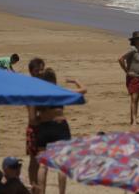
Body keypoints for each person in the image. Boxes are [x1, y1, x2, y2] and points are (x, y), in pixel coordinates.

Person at [34, 68, 86, 194]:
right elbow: (83, 90)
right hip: (59, 126)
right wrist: (75, 80)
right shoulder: (59, 91)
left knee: (42, 164)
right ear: (54, 80)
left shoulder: (38, 93)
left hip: (43, 127)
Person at [118, 30, 139, 126]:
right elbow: (120, 58)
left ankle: (133, 119)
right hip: (133, 77)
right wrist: (126, 71)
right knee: (134, 99)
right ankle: (134, 121)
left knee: (136, 100)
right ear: (136, 41)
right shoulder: (132, 49)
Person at [26, 58, 46, 188]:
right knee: (36, 162)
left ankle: (36, 188)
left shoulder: (42, 85)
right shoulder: (32, 87)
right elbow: (33, 117)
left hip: (39, 127)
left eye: (42, 70)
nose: (40, 73)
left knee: (38, 162)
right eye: (37, 71)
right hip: (35, 128)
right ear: (31, 72)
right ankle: (35, 188)